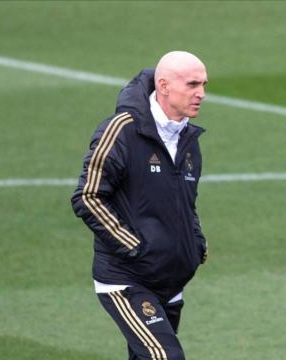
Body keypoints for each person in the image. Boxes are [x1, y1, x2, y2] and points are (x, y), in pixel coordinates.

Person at [71, 51, 209, 360]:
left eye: (203, 85)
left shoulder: (188, 138)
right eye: (192, 84)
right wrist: (134, 246)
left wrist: (195, 242)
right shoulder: (121, 130)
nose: (201, 94)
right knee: (164, 356)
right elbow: (88, 196)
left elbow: (186, 203)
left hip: (171, 281)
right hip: (127, 278)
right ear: (163, 85)